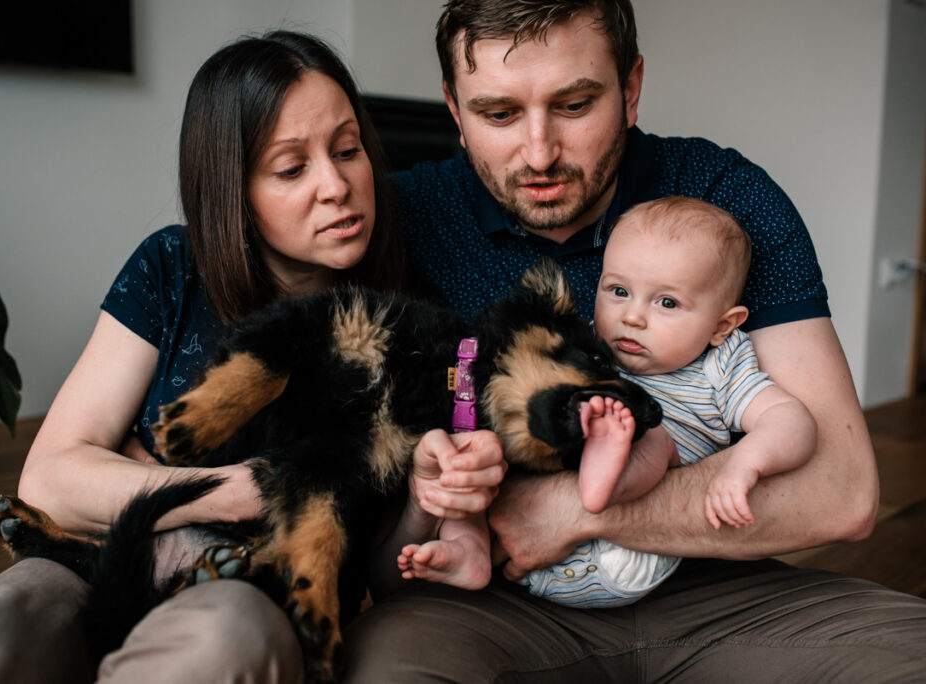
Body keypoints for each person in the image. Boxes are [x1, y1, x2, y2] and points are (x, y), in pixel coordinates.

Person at [342, 1, 926, 681]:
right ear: (453, 107)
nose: (539, 153)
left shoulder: (724, 199)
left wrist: (573, 512)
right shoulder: (397, 220)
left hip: (722, 590)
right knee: (386, 664)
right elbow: (380, 548)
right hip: (502, 601)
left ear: (632, 88)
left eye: (575, 104)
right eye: (499, 114)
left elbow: (842, 493)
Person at [0, 31, 504, 684]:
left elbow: (385, 578)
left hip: (248, 596)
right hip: (94, 557)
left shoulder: (407, 321)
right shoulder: (172, 268)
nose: (337, 185)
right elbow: (48, 481)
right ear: (232, 190)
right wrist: (232, 493)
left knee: (220, 640)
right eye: (291, 167)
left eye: (349, 150)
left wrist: (424, 497)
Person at [397, 197, 819, 608]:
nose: (632, 317)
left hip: (626, 555)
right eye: (618, 290)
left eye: (667, 302)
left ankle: (603, 479)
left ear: (722, 326)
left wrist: (743, 465)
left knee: (652, 436)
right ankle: (467, 550)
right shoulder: (588, 348)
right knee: (481, 459)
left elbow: (790, 420)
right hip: (525, 567)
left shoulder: (720, 367)